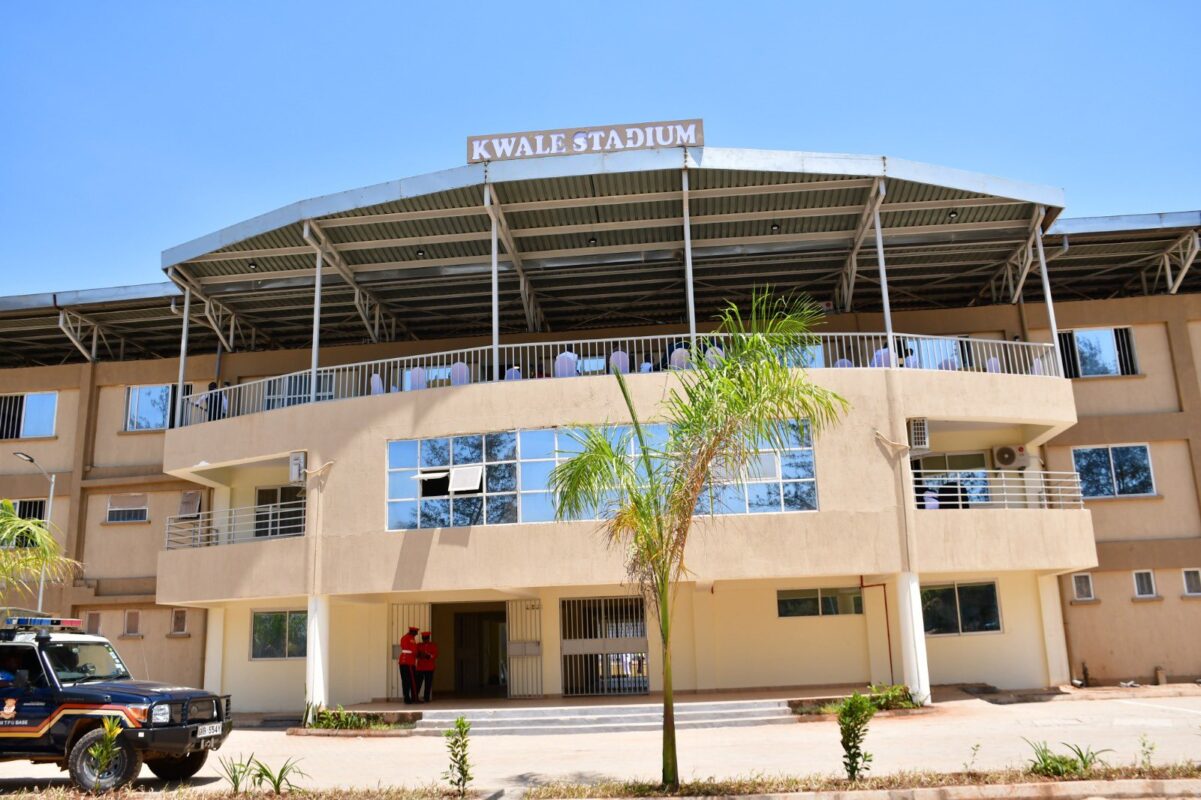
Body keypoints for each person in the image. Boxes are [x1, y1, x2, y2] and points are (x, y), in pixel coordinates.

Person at [415, 630, 439, 704]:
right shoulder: (418, 645)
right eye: (424, 638)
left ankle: (426, 698)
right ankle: (415, 697)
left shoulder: (433, 645)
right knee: (418, 683)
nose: (425, 640)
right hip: (420, 667)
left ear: (428, 638)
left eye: (426, 638)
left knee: (428, 683)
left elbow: (435, 655)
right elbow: (416, 654)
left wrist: (428, 656)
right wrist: (419, 655)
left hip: (429, 667)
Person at [398, 626, 419, 705]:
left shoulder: (404, 637)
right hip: (409, 661)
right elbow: (414, 651)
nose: (416, 635)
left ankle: (406, 698)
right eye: (416, 633)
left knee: (405, 681)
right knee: (412, 681)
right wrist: (419, 654)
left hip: (402, 661)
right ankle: (414, 698)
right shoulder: (410, 638)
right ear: (413, 632)